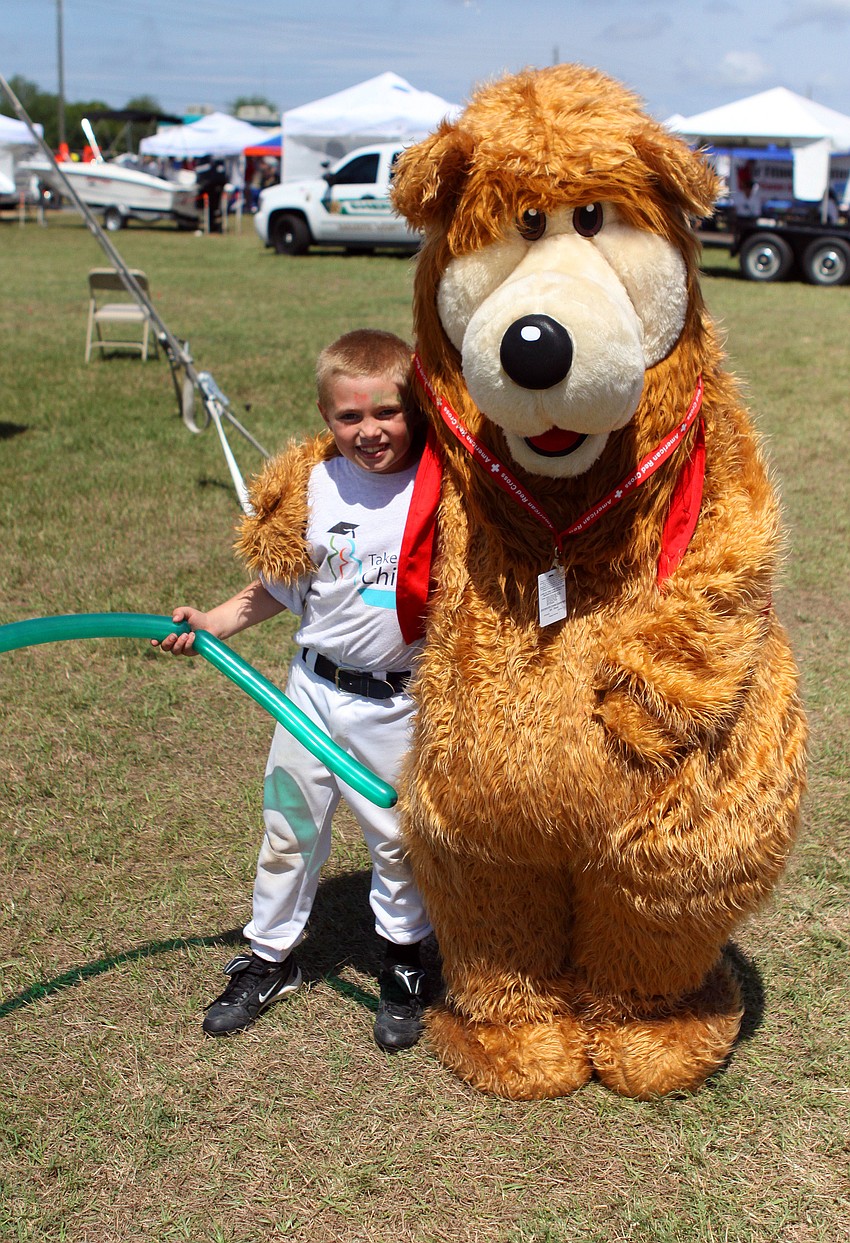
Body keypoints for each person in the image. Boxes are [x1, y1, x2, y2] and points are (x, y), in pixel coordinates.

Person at [154, 330, 433, 1050]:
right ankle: (270, 956)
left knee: (400, 840)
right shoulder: (314, 486)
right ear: (325, 415)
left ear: (416, 407)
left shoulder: (439, 490)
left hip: (398, 706)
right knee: (287, 826)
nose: (369, 431)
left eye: (387, 413)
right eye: (349, 417)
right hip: (309, 697)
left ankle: (404, 959)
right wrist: (211, 620)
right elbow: (278, 585)